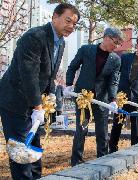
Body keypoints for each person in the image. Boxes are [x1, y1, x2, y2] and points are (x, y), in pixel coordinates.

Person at [0, 3, 79, 179]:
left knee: (34, 150)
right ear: (54, 17)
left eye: (74, 24)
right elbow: (29, 74)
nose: (71, 26)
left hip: (34, 102)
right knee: (21, 154)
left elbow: (50, 74)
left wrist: (50, 94)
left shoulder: (61, 43)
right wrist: (37, 106)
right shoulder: (35, 36)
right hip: (15, 101)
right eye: (68, 20)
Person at [64, 27, 123, 166]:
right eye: (115, 42)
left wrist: (113, 99)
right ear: (106, 37)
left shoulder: (115, 59)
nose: (116, 46)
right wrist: (68, 84)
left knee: (102, 132)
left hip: (101, 99)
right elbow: (72, 67)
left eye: (119, 44)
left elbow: (113, 81)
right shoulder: (86, 50)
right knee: (82, 129)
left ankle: (102, 160)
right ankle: (76, 161)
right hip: (83, 97)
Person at [109, 35, 138, 153]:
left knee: (137, 127)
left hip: (137, 99)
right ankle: (112, 149)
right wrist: (113, 96)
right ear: (137, 46)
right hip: (122, 98)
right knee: (117, 124)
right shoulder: (125, 58)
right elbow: (114, 76)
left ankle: (135, 151)